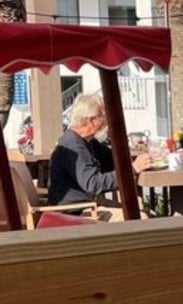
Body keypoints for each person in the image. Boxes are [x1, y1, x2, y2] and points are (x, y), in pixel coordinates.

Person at [48, 94, 151, 222]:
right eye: (104, 114)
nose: (108, 119)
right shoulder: (73, 146)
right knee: (139, 217)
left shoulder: (87, 142)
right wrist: (132, 169)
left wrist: (142, 159)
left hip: (87, 206)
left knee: (137, 206)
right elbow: (93, 184)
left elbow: (112, 160)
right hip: (74, 213)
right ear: (91, 120)